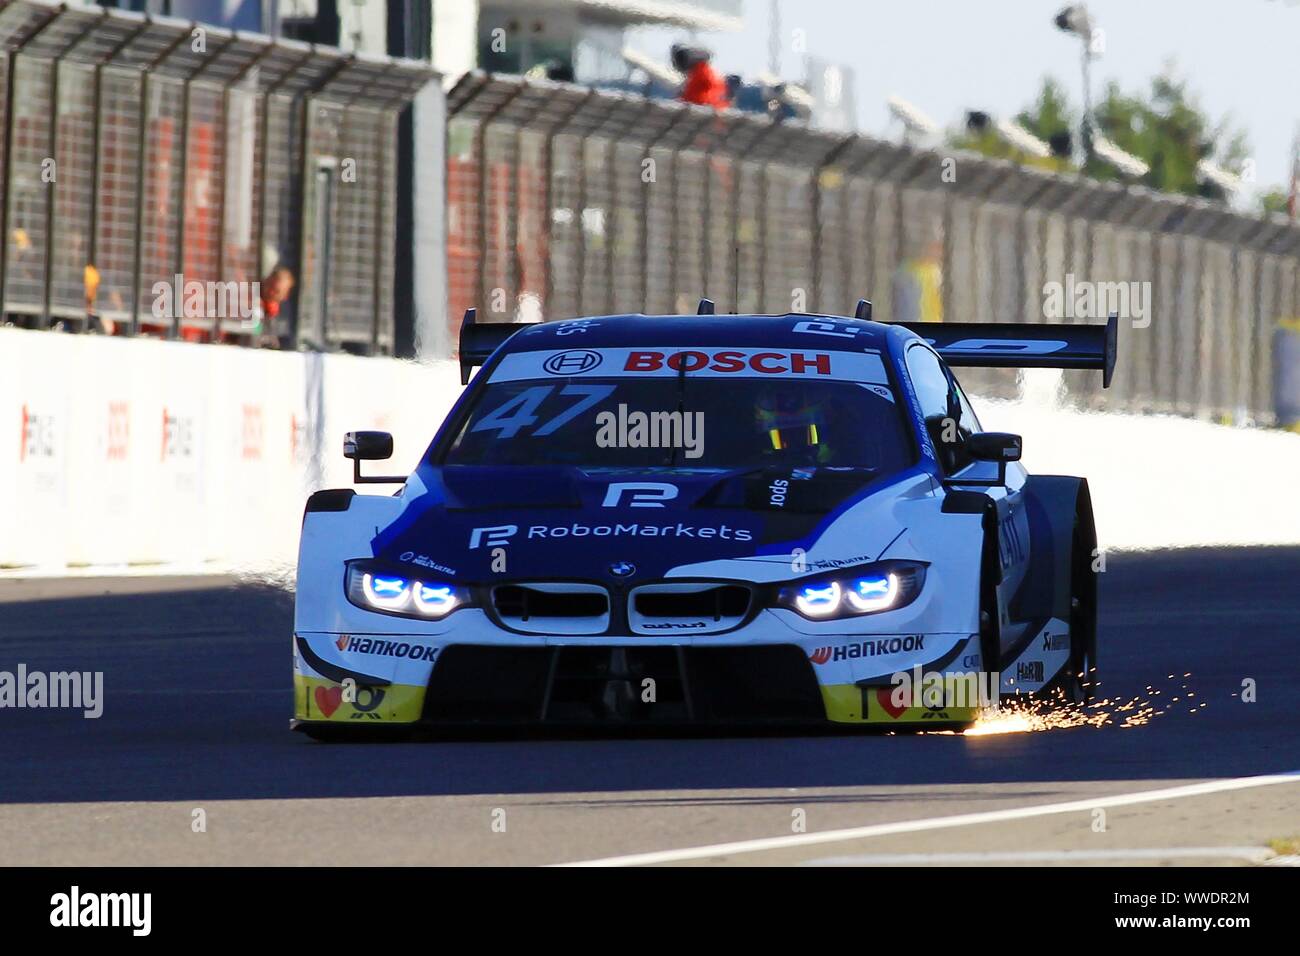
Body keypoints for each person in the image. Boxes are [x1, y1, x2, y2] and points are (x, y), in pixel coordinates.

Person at [671, 44, 730, 109]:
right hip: (705, 108)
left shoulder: (702, 73)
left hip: (702, 108)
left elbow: (693, 95)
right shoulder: (703, 73)